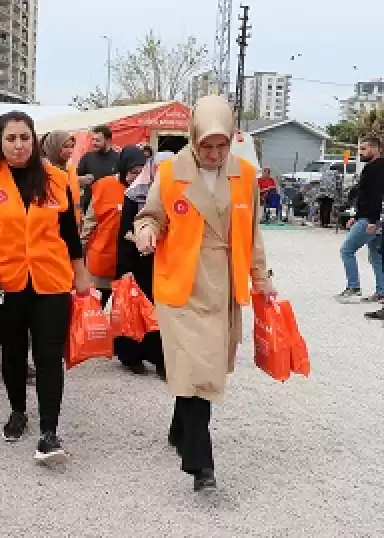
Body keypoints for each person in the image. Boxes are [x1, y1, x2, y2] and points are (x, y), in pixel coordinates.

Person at [133, 96, 275, 492]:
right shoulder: (170, 172)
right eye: (205, 145)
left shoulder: (245, 175)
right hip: (181, 284)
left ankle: (180, 430)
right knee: (196, 367)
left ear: (231, 139)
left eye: (221, 145)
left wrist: (260, 278)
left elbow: (252, 232)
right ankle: (201, 464)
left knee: (204, 368)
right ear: (193, 139)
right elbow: (150, 214)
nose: (213, 153)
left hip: (224, 284)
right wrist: (146, 230)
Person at [0, 111, 92, 464]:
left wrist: (81, 274)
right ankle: (18, 411)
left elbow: (69, 232)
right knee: (14, 352)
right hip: (7, 280)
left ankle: (49, 431)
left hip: (51, 280)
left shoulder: (56, 178)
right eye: (11, 139)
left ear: (34, 140)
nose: (18, 146)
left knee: (49, 356)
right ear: (0, 143)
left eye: (24, 138)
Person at [115, 148, 165, 379]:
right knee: (134, 309)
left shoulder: (179, 194)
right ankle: (132, 356)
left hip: (166, 265)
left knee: (162, 315)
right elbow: (125, 232)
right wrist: (125, 269)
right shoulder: (134, 194)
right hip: (137, 262)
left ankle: (162, 360)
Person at [81, 143, 134, 312]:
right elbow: (90, 222)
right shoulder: (105, 186)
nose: (136, 177)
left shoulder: (144, 189)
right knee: (98, 311)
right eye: (133, 172)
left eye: (141, 172)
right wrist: (80, 255)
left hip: (128, 263)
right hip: (102, 257)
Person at [337, 136, 384, 304]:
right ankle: (381, 292)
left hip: (371, 219)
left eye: (364, 149)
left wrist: (372, 220)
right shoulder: (372, 168)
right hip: (371, 217)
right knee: (376, 256)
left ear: (376, 148)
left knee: (346, 250)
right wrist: (355, 216)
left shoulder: (375, 169)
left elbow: (376, 196)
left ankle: (353, 287)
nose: (361, 153)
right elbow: (364, 196)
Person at [76, 125, 121, 214]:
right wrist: (82, 179)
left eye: (97, 140)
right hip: (89, 209)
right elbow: (76, 178)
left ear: (108, 140)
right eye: (93, 139)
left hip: (110, 209)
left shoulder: (119, 159)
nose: (94, 143)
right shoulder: (87, 157)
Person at [41, 131, 80, 225]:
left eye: (72, 146)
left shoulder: (70, 168)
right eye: (65, 147)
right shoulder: (44, 172)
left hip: (73, 223)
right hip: (53, 227)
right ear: (54, 147)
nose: (70, 150)